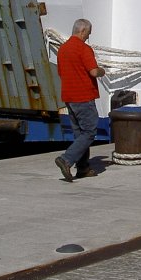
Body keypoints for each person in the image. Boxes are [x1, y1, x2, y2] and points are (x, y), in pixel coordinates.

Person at [54, 18, 105, 181]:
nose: (88, 37)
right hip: (83, 96)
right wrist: (102, 70)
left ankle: (83, 168)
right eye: (88, 33)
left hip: (69, 96)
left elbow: (61, 73)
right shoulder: (84, 49)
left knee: (79, 134)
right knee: (89, 132)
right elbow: (93, 72)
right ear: (82, 31)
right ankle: (66, 159)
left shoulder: (62, 49)